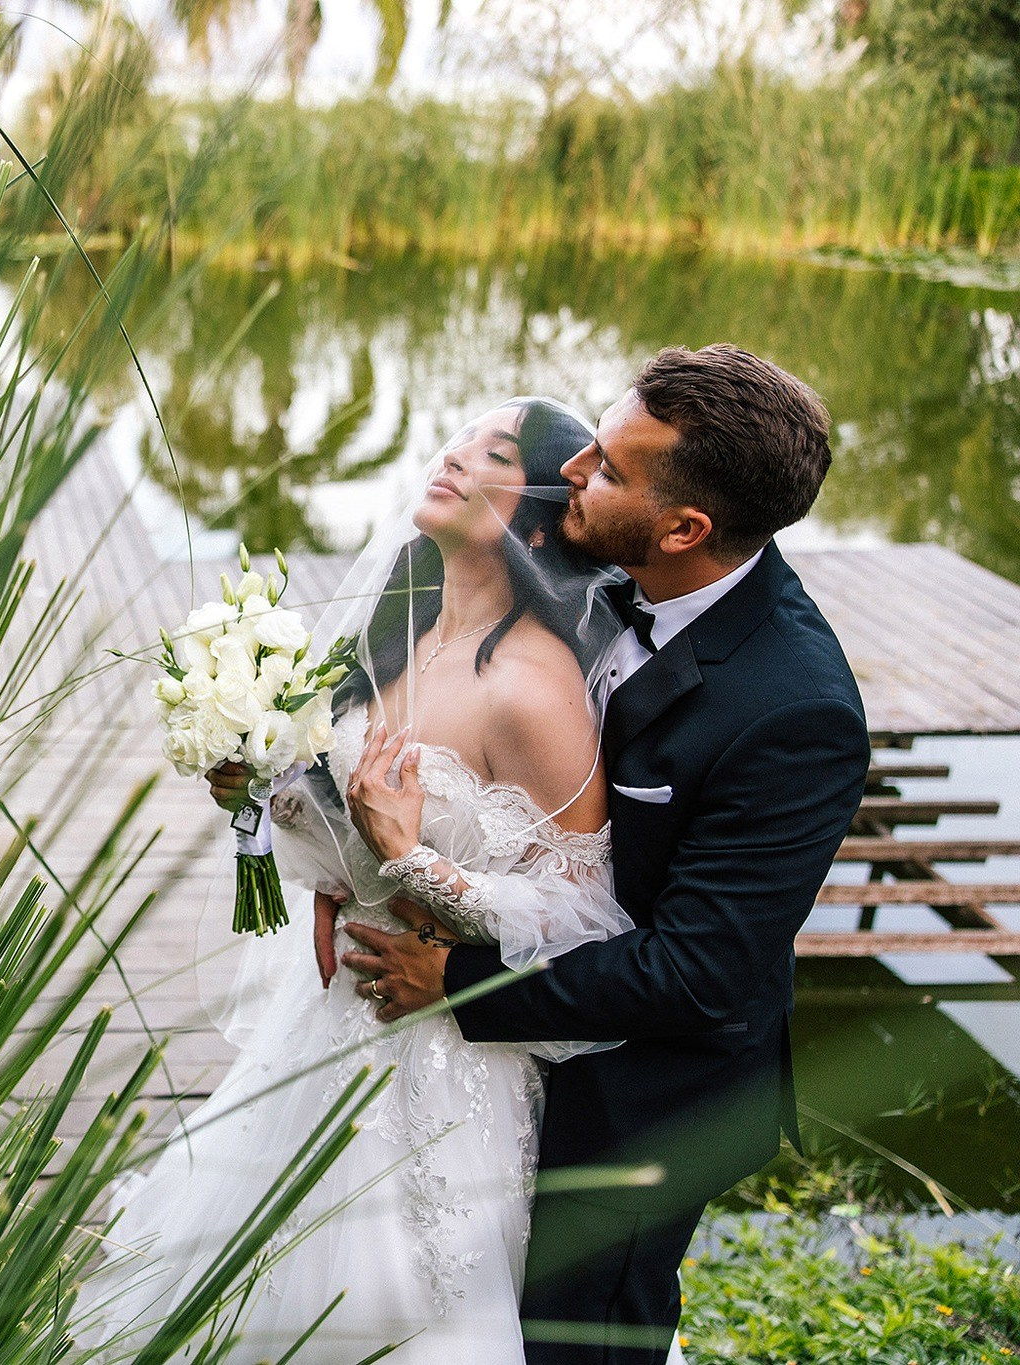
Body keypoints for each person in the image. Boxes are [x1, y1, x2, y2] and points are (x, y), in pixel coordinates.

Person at [70, 397, 636, 1362]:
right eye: (457, 438)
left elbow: (584, 914)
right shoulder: (398, 639)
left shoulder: (533, 685)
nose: (452, 456)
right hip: (327, 1013)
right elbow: (343, 831)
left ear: (541, 515)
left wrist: (416, 862)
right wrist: (264, 789)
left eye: (492, 453)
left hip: (441, 1047)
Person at [339, 345, 869, 1365]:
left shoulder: (793, 712)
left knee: (575, 1342)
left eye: (609, 470)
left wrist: (454, 981)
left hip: (649, 1091)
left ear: (683, 529)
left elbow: (697, 971)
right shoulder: (590, 574)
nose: (572, 471)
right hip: (517, 1033)